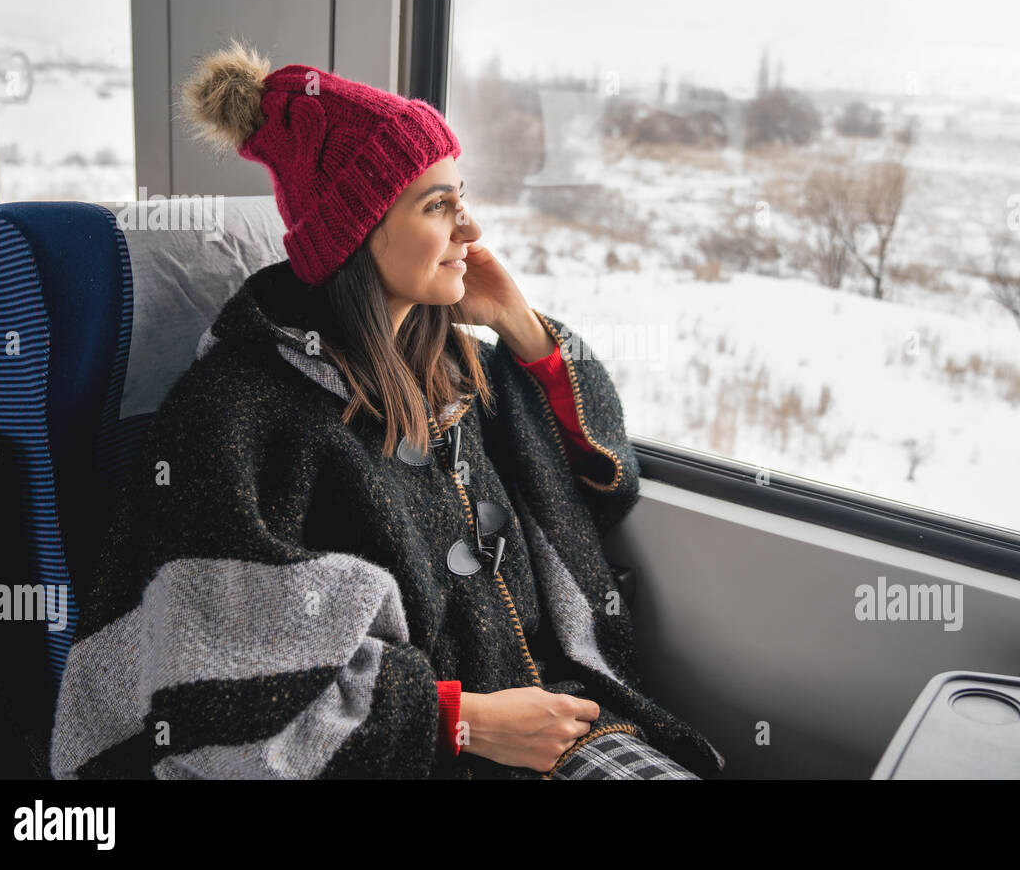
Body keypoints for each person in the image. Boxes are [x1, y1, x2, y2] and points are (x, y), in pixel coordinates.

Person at [48, 40, 725, 780]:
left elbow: (604, 481)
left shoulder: (454, 371)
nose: (471, 229)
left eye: (462, 197)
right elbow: (214, 689)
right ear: (356, 233)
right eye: (439, 205)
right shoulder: (235, 412)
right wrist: (455, 720)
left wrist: (519, 323)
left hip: (561, 712)